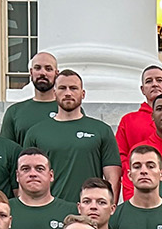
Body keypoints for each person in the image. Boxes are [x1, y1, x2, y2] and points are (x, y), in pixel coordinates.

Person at [20, 69, 121, 203]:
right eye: (62, 88)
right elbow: (25, 178)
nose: (68, 93)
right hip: (50, 210)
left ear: (83, 93)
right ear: (55, 93)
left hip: (89, 211)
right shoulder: (36, 132)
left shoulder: (101, 130)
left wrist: (108, 210)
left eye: (73, 88)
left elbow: (113, 177)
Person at [7, 150, 74, 229]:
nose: (32, 174)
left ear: (51, 175)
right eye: (25, 169)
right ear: (17, 175)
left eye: (39, 169)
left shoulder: (71, 213)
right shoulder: (3, 211)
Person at [108, 145, 162, 229]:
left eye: (150, 166)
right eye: (137, 166)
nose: (143, 171)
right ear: (129, 175)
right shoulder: (115, 216)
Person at [0, 51, 59, 146]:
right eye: (37, 68)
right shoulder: (14, 112)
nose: (43, 73)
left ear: (56, 74)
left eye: (48, 69)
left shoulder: (68, 110)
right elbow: (6, 151)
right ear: (31, 72)